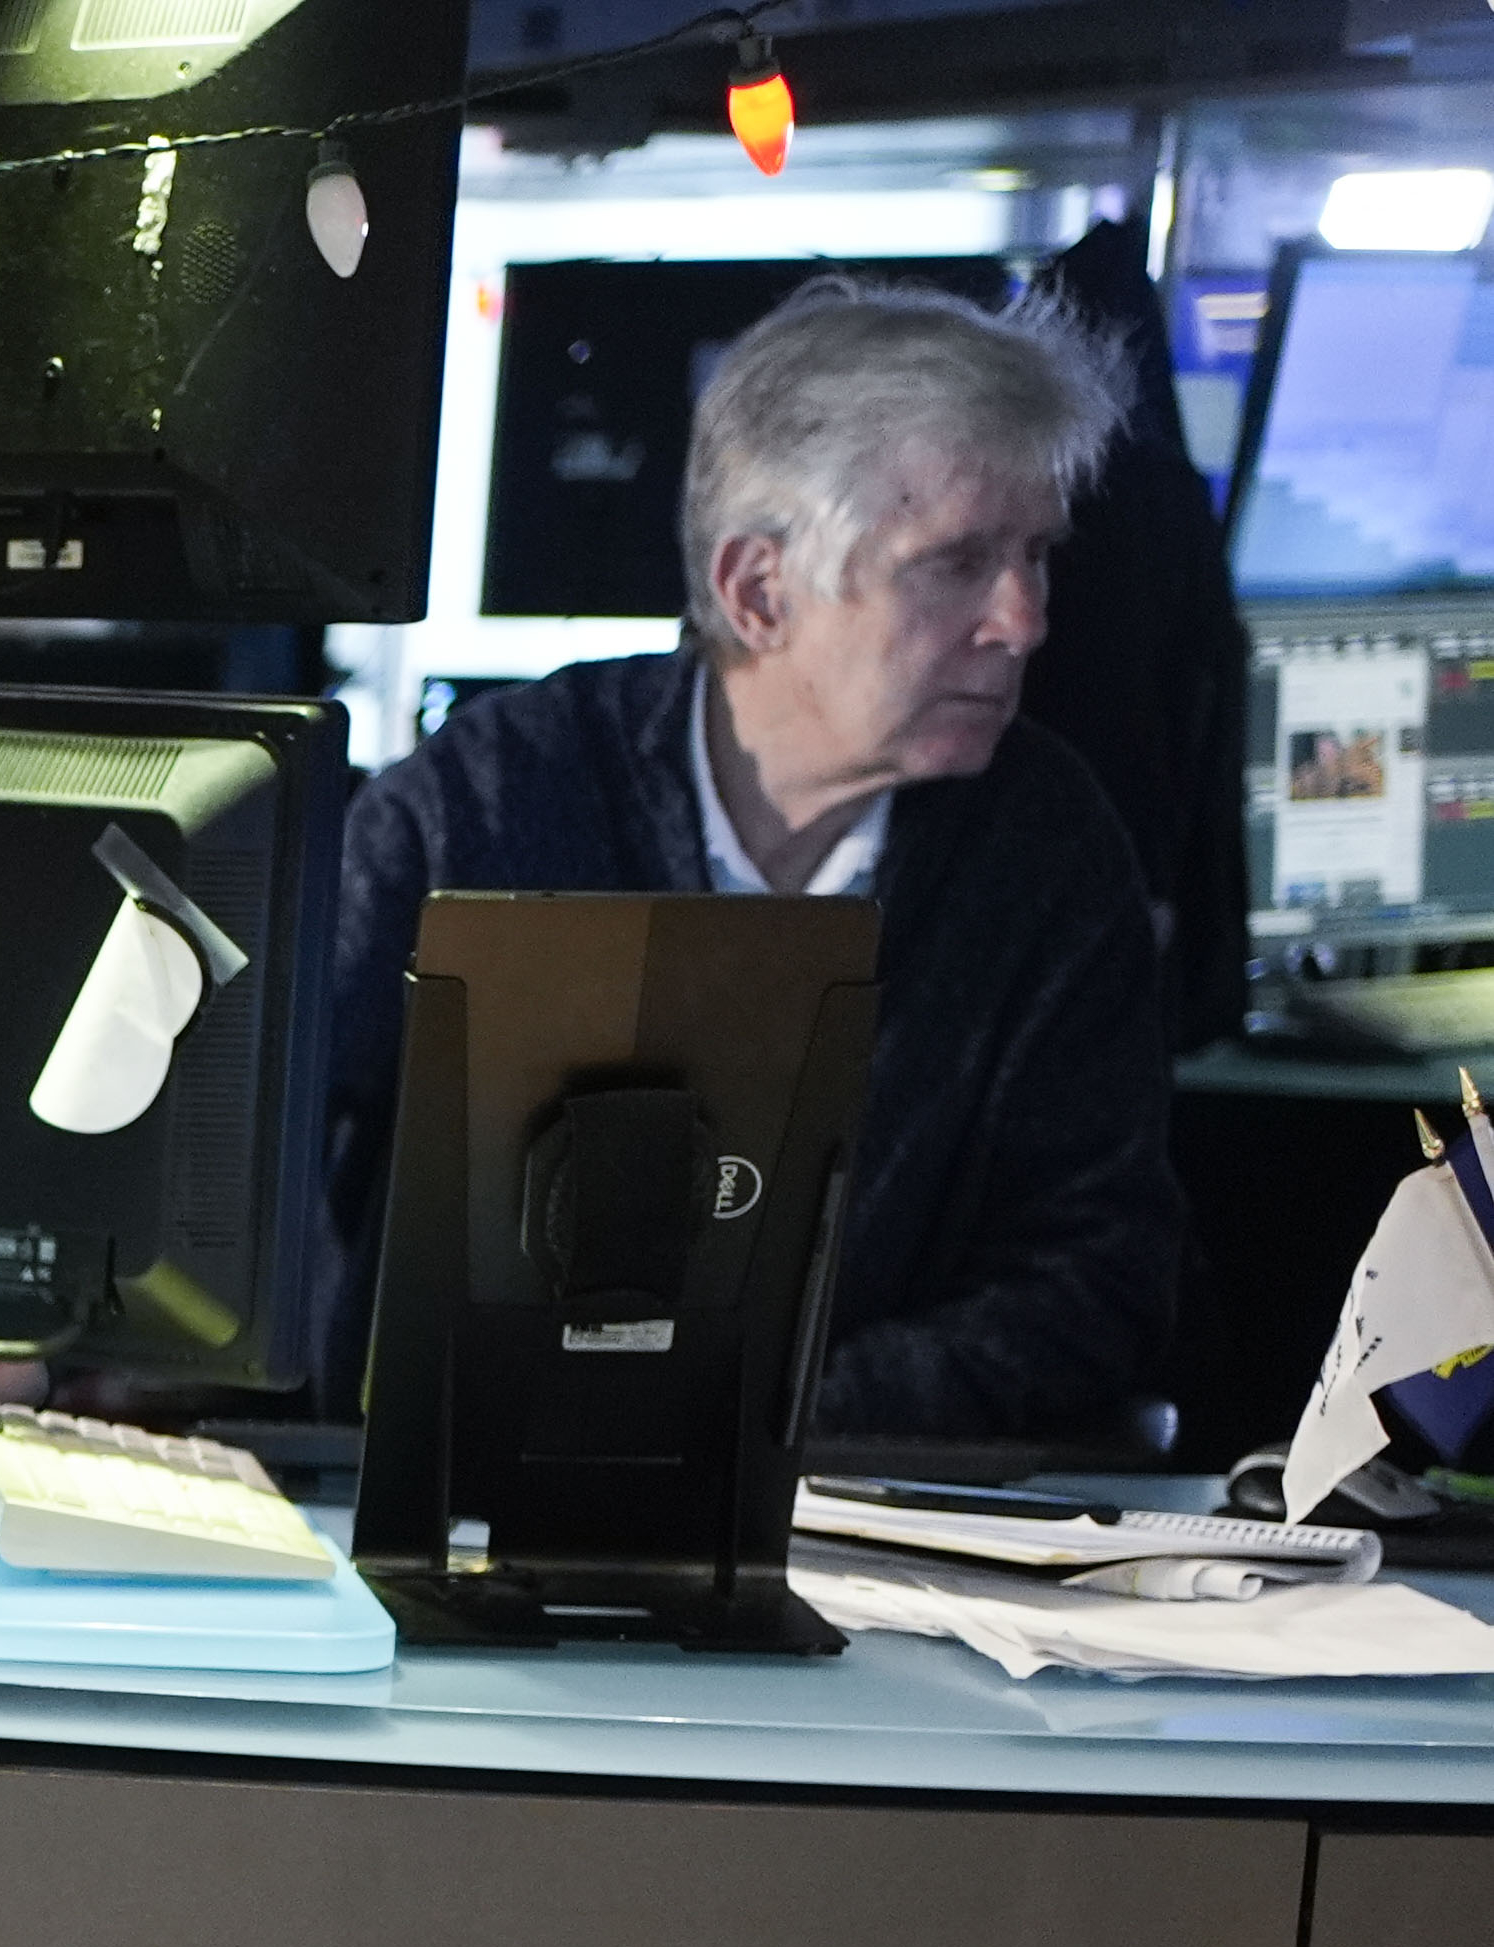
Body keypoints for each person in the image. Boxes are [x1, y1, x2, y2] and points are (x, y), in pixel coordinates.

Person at [315, 280, 1184, 1441]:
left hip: (862, 1529)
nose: (1020, 619)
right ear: (756, 590)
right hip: (460, 1491)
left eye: (1032, 555)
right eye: (954, 562)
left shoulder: (1046, 848)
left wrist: (746, 1417)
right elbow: (267, 1193)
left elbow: (1096, 1274)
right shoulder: (476, 805)